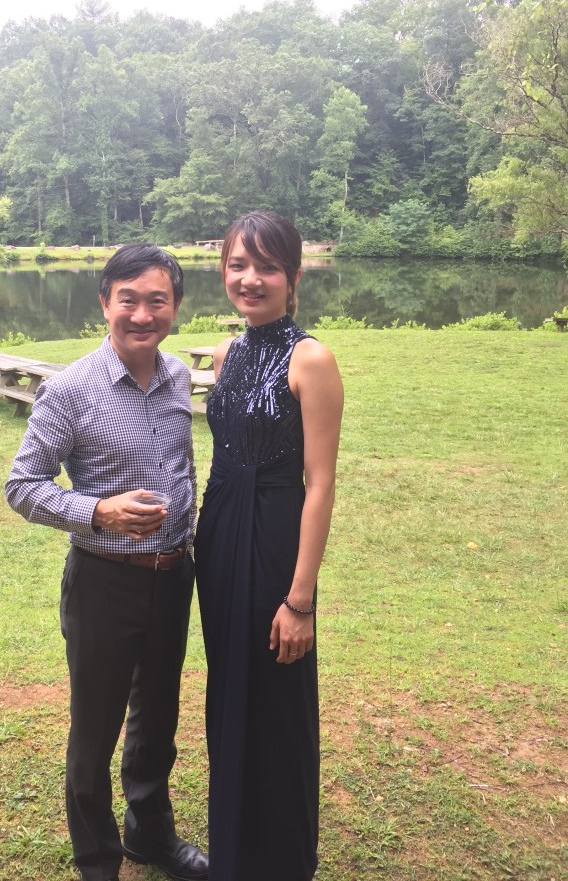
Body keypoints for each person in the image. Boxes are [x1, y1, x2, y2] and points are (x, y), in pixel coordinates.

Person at [6, 244, 208, 881]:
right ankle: (98, 862)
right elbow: (22, 486)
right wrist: (99, 511)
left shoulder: (177, 376)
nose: (142, 315)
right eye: (129, 300)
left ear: (175, 306)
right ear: (104, 303)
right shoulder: (69, 390)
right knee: (95, 729)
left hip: (173, 576)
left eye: (157, 301)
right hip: (103, 583)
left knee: (158, 720)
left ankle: (149, 835)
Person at [194, 212, 344, 881]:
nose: (249, 279)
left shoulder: (310, 358)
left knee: (276, 699)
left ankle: (280, 862)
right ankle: (233, 852)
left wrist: (301, 598)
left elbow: (321, 482)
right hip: (219, 536)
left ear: (293, 276)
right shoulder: (226, 354)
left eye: (266, 267)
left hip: (275, 540)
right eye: (237, 265)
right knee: (228, 689)